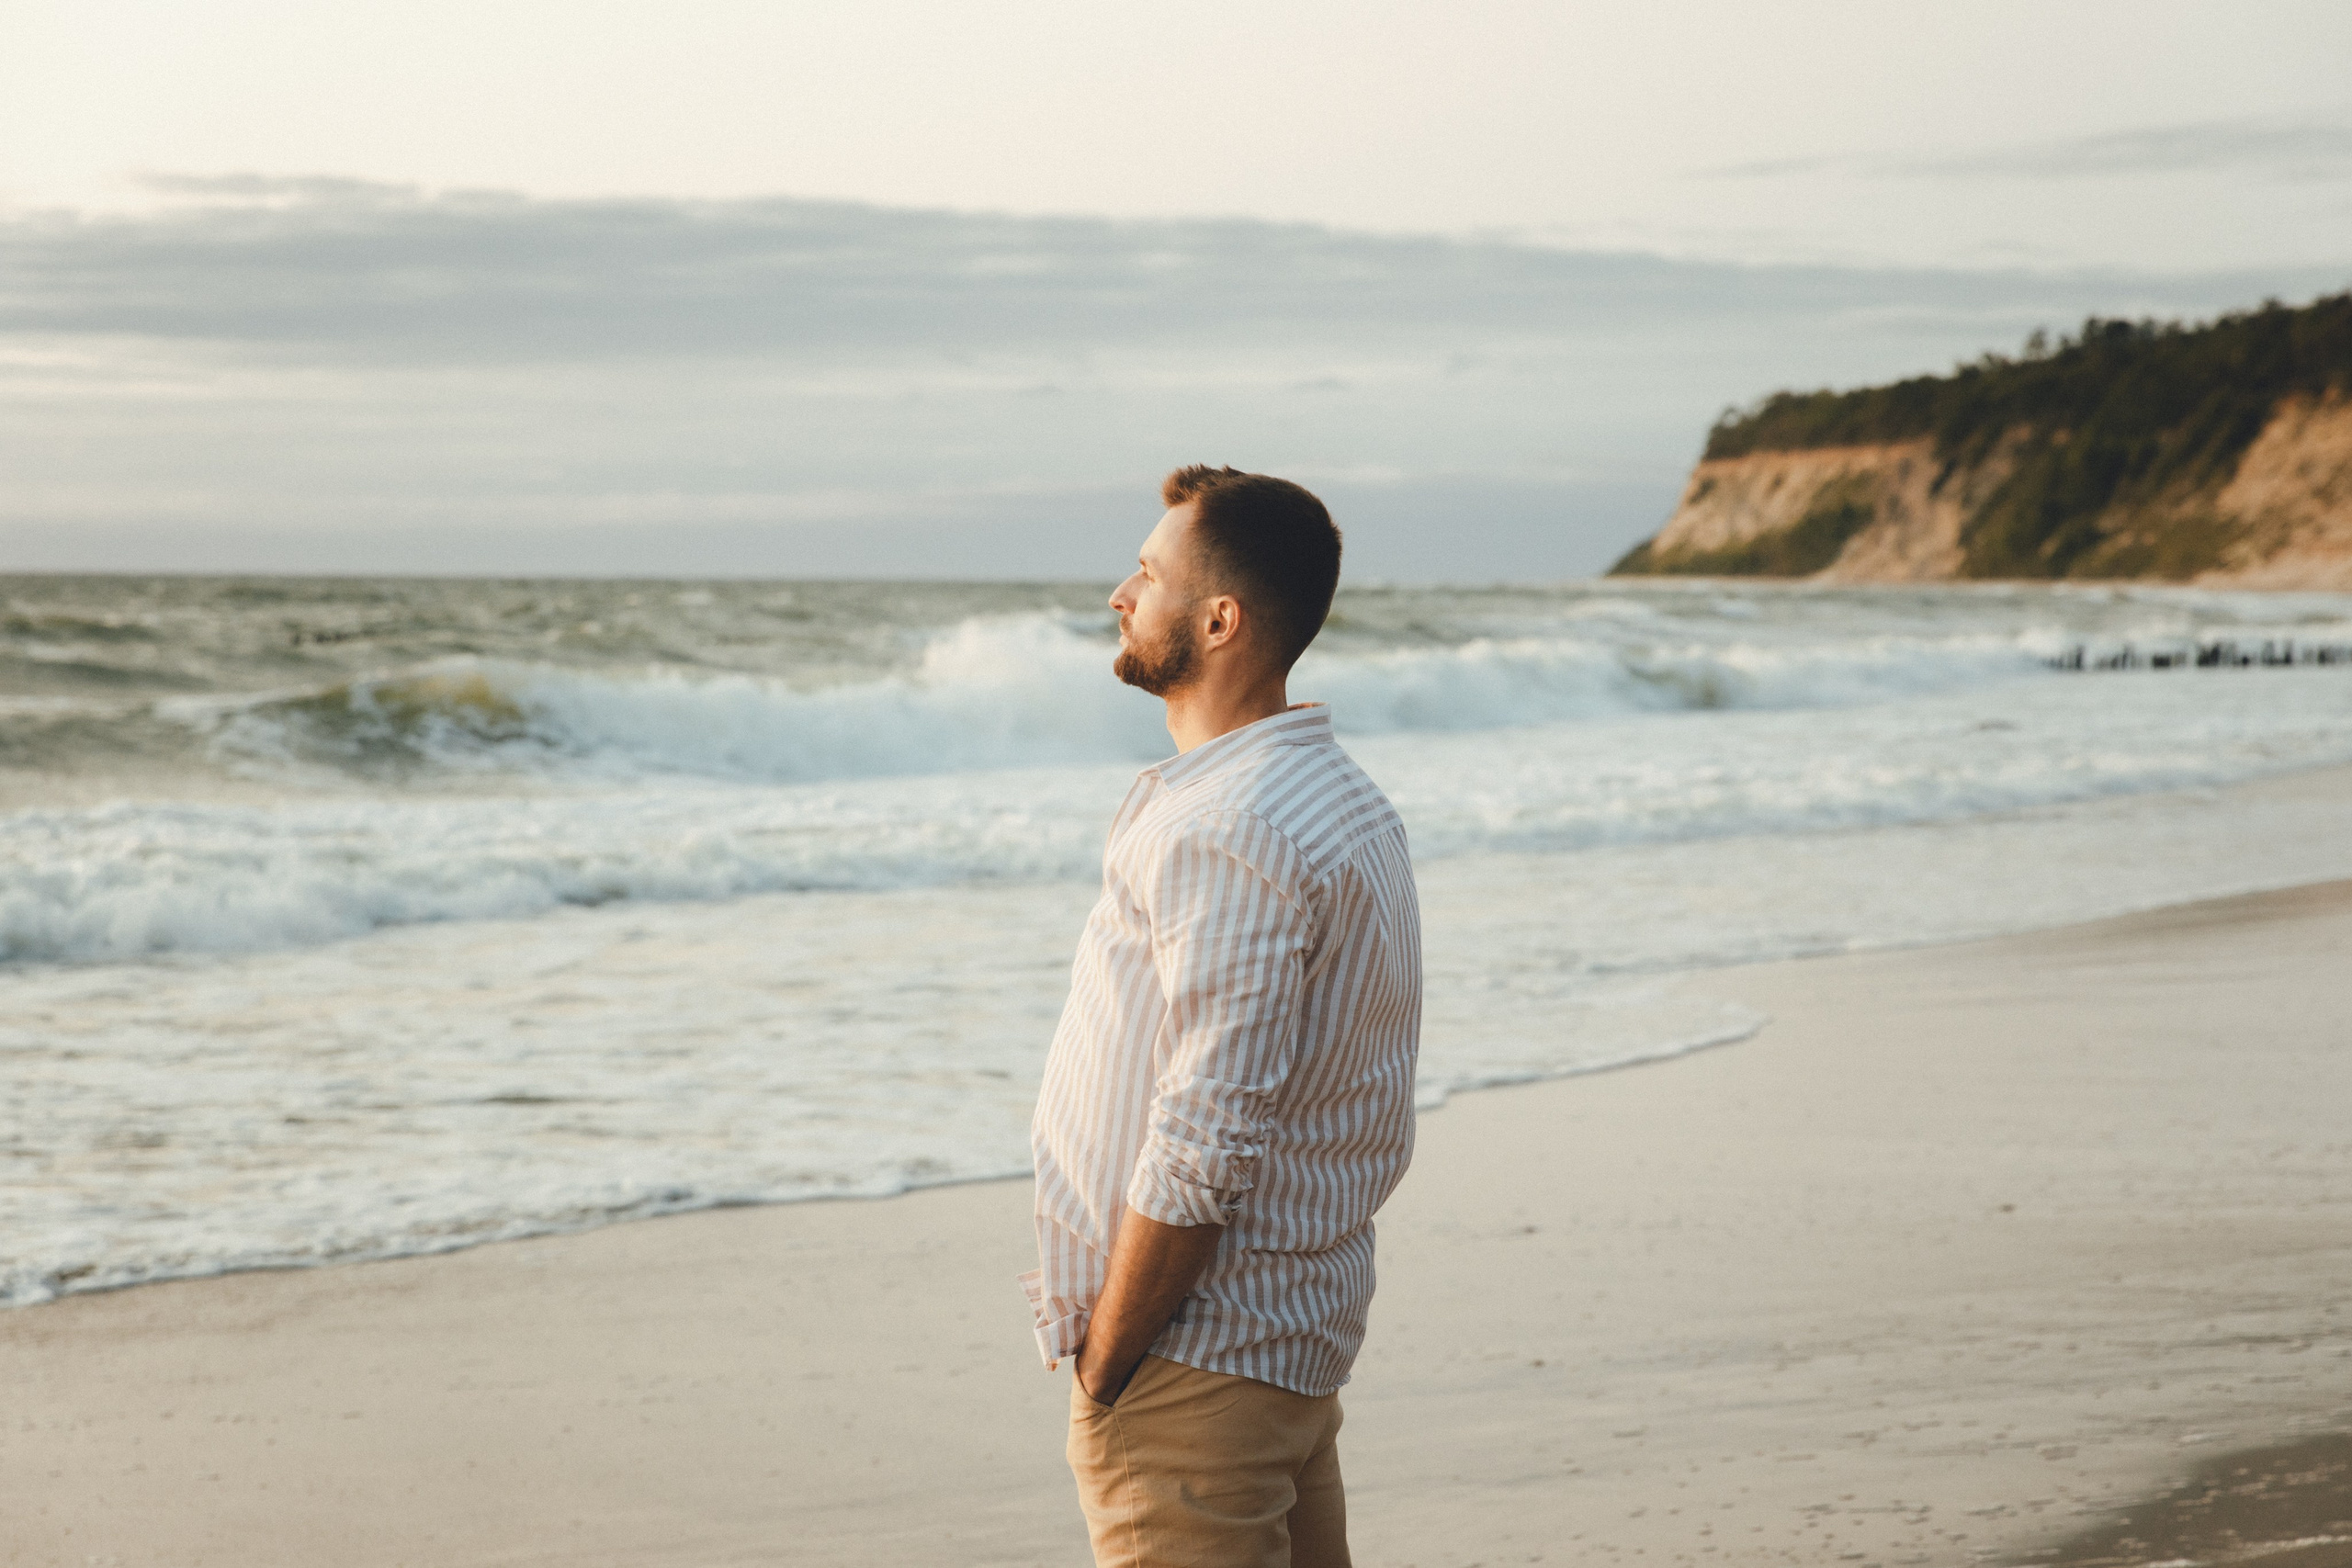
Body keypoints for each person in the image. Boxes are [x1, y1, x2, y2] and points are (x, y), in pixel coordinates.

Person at [1023, 465, 1424, 1568]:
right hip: (1285, 1346)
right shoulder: (1340, 800)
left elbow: (1205, 1139)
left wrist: (1110, 1363)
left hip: (1197, 1366)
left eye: (1147, 574)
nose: (1120, 594)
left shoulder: (1228, 828)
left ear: (1218, 620)